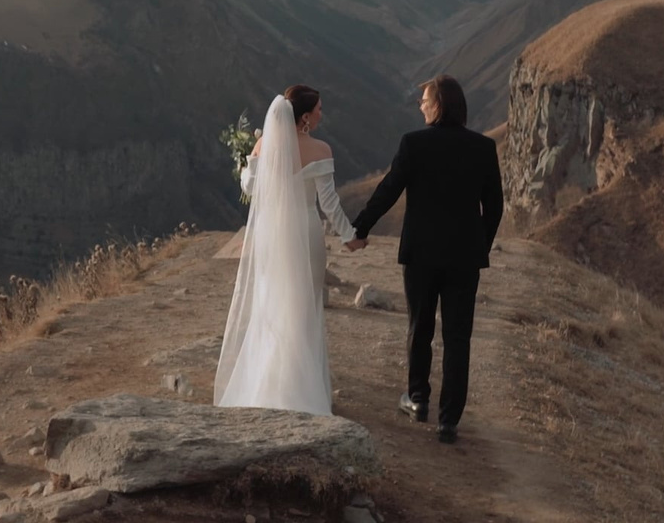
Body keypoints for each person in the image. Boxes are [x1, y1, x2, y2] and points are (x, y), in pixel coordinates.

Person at [348, 75, 503, 444]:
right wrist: (479, 244)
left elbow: (388, 190)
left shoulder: (414, 144)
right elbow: (494, 207)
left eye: (425, 100)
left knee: (420, 327)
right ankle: (449, 421)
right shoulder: (483, 147)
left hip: (420, 254)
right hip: (465, 258)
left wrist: (360, 228)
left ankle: (417, 400)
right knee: (458, 336)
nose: (420, 106)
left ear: (439, 105)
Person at [213, 85, 360, 415]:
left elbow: (250, 188)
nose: (323, 114)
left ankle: (267, 383)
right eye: (320, 109)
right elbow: (329, 204)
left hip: (270, 233)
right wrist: (349, 235)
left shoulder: (264, 144)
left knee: (271, 304)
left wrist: (246, 164)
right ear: (305, 118)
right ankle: (303, 388)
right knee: (305, 309)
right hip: (305, 231)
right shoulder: (321, 150)